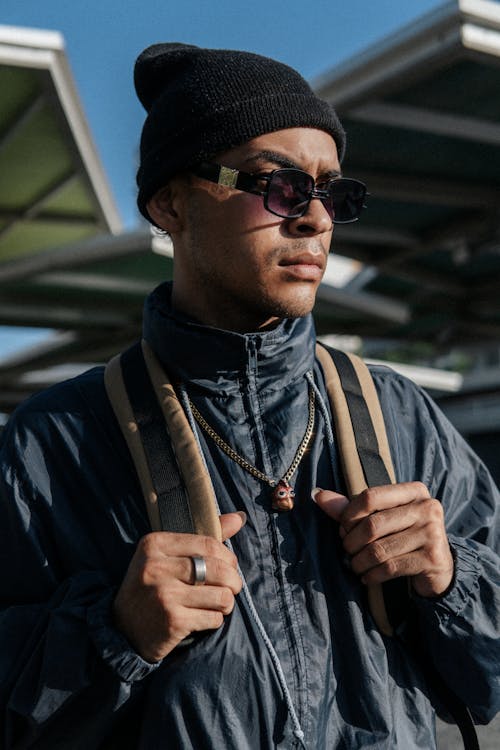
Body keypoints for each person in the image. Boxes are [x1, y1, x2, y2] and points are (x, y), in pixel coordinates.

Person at [0, 43, 498, 750]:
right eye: (280, 186)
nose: (317, 220)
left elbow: (489, 682)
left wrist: (449, 579)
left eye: (333, 193)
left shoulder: (401, 416)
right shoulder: (53, 441)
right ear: (170, 203)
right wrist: (115, 633)